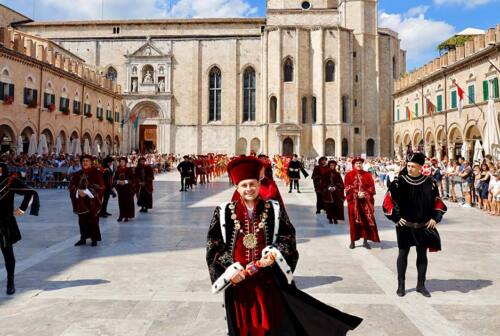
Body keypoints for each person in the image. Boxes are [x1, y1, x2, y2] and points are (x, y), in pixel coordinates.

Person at [206, 156, 362, 336]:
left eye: (252, 184)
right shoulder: (224, 212)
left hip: (267, 280)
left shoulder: (273, 209)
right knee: (243, 327)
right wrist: (230, 272)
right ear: (237, 187)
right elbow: (214, 245)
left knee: (271, 324)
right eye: (244, 185)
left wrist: (274, 253)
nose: (249, 189)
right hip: (239, 283)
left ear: (259, 183)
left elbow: (288, 236)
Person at [383, 152, 447, 298]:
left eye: (413, 166)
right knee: (403, 254)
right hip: (406, 226)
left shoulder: (429, 183)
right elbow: (388, 202)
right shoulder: (398, 183)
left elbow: (437, 202)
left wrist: (435, 218)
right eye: (408, 166)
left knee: (422, 255)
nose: (410, 168)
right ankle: (401, 285)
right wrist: (396, 217)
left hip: (423, 225)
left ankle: (421, 285)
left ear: (420, 167)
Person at [0, 163, 39, 295]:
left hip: (4, 222)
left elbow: (30, 192)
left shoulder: (10, 180)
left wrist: (22, 208)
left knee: (7, 252)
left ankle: (10, 281)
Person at [344, 157, 380, 249]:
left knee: (365, 221)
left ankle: (365, 241)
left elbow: (372, 188)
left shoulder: (367, 175)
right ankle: (352, 241)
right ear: (353, 165)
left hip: (365, 203)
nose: (358, 165)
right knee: (353, 222)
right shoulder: (349, 175)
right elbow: (347, 188)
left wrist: (365, 194)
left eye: (360, 163)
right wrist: (356, 193)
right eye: (356, 163)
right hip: (353, 203)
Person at [70, 155, 105, 247]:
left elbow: (100, 186)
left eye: (87, 161)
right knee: (82, 220)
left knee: (93, 220)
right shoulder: (77, 173)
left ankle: (94, 239)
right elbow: (72, 185)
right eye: (83, 161)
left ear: (91, 162)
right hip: (81, 201)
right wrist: (78, 191)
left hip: (92, 201)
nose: (85, 162)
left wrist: (86, 191)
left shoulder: (96, 173)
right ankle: (83, 238)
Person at [321, 160, 345, 224]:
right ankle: (330, 218)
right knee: (329, 206)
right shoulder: (325, 174)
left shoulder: (337, 174)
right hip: (328, 193)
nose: (332, 166)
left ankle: (335, 218)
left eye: (334, 165)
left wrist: (335, 187)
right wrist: (328, 187)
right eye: (331, 165)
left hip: (336, 193)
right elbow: (323, 183)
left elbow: (341, 183)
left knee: (336, 206)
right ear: (329, 166)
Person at [114, 157, 136, 222]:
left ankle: (126, 216)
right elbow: (114, 179)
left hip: (128, 189)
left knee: (127, 203)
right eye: (120, 161)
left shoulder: (129, 170)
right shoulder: (117, 171)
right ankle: (121, 215)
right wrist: (118, 181)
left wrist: (125, 182)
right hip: (120, 190)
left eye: (123, 161)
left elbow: (132, 179)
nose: (121, 162)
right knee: (121, 203)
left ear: (125, 163)